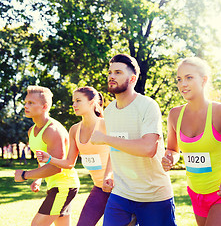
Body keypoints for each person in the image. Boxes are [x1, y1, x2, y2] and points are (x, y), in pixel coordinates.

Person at [90, 54, 177, 226]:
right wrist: (109, 173)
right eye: (109, 72)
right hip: (121, 194)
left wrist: (106, 139)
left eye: (117, 72)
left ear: (132, 79)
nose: (111, 76)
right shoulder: (109, 111)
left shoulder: (148, 106)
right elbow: (116, 148)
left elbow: (148, 148)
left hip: (154, 195)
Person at [161, 57, 221, 226]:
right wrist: (169, 158)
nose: (183, 84)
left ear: (203, 80)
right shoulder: (175, 115)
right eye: (179, 79)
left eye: (189, 78)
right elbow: (173, 150)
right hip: (195, 193)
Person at [35, 86, 123, 226]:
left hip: (120, 188)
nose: (74, 105)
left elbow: (117, 150)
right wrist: (50, 159)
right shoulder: (74, 130)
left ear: (91, 102)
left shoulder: (106, 124)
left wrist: (108, 175)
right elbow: (70, 163)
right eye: (73, 101)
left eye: (78, 101)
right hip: (99, 188)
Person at [14, 86, 80, 226]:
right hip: (54, 186)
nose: (26, 106)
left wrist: (25, 174)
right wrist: (38, 179)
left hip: (64, 186)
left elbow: (57, 168)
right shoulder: (32, 131)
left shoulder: (52, 131)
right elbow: (43, 158)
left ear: (44, 107)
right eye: (25, 102)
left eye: (31, 103)